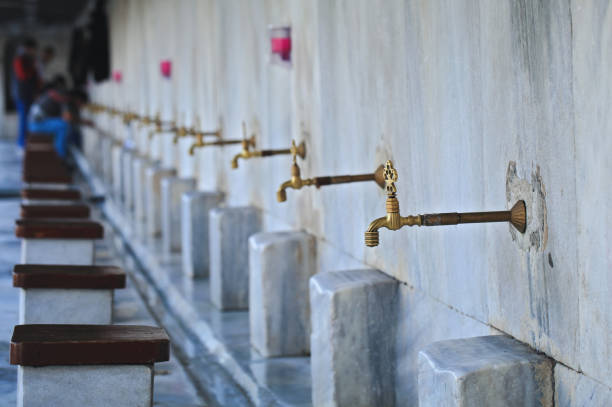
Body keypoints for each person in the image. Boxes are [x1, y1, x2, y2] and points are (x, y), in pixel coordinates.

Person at [28, 83, 88, 158]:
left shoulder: (62, 95)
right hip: (36, 125)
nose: (80, 107)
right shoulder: (64, 97)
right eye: (81, 104)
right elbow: (67, 118)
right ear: (78, 99)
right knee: (64, 126)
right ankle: (60, 157)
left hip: (37, 123)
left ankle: (63, 154)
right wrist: (84, 122)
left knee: (65, 126)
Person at [12, 37, 41, 148]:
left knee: (28, 118)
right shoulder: (19, 60)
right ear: (28, 49)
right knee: (23, 119)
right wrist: (33, 70)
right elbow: (22, 75)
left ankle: (26, 141)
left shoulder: (29, 59)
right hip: (22, 94)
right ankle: (21, 144)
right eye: (33, 49)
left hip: (28, 94)